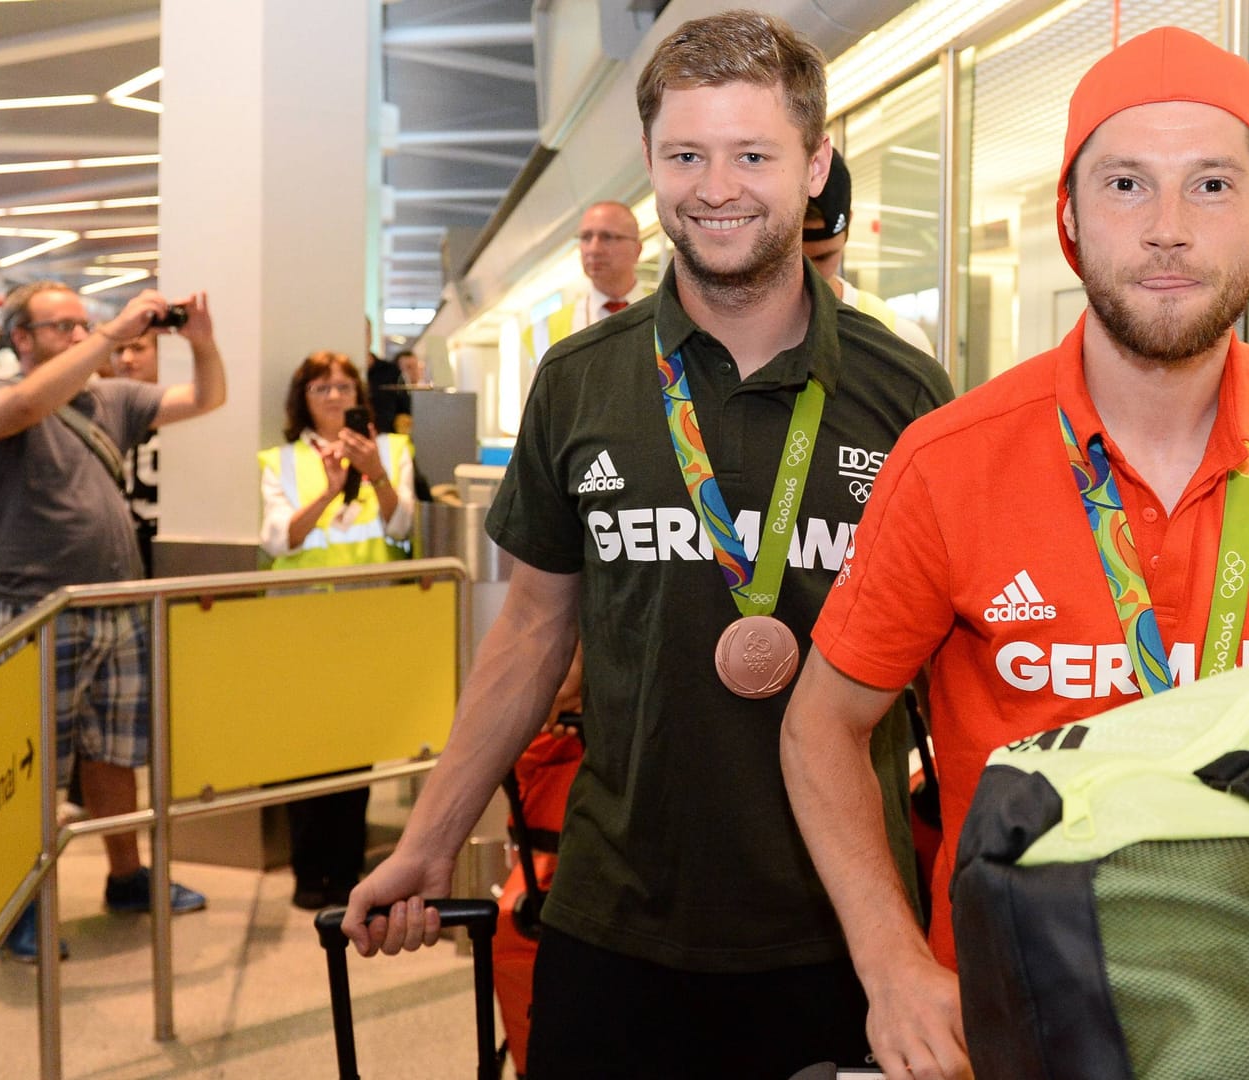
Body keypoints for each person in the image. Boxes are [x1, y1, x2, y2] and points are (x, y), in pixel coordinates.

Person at [780, 27, 1249, 1080]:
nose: (1165, 229)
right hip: (1024, 1005)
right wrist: (889, 963)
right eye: (1124, 184)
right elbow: (821, 728)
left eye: (1210, 185)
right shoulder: (949, 463)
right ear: (1069, 217)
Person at [341, 11, 954, 1078]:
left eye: (753, 154)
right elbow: (532, 631)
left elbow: (954, 668)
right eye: (685, 155)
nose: (716, 186)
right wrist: (433, 834)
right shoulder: (581, 382)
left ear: (816, 166)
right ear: (653, 167)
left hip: (842, 934)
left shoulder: (904, 396)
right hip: (615, 919)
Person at [0, 282, 226, 962]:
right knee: (33, 771)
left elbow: (206, 398)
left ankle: (126, 876)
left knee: (114, 753)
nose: (81, 334)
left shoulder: (108, 398)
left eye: (84, 323)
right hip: (37, 612)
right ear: (20, 338)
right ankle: (16, 903)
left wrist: (200, 341)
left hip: (115, 606)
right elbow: (23, 405)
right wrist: (112, 335)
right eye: (63, 326)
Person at [258, 351, 416, 908]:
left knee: (357, 748)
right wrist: (327, 490)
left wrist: (373, 473)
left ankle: (346, 869)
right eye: (320, 388)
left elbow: (402, 527)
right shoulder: (278, 461)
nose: (333, 397)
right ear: (302, 398)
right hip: (301, 626)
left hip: (368, 625)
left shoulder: (393, 452)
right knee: (304, 748)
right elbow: (279, 540)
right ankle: (309, 872)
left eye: (344, 387)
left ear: (359, 397)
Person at [801, 149, 936, 357]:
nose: (808, 272)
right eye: (792, 258)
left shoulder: (901, 341)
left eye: (822, 257)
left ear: (849, 225)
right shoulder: (739, 332)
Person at [110, 329, 161, 572]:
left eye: (138, 348)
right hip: (118, 543)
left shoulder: (183, 409)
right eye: (118, 350)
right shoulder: (103, 410)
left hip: (163, 538)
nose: (126, 359)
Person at [572, 199, 651, 328]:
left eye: (607, 237)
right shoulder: (547, 331)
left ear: (637, 250)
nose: (593, 249)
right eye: (586, 237)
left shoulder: (666, 309)